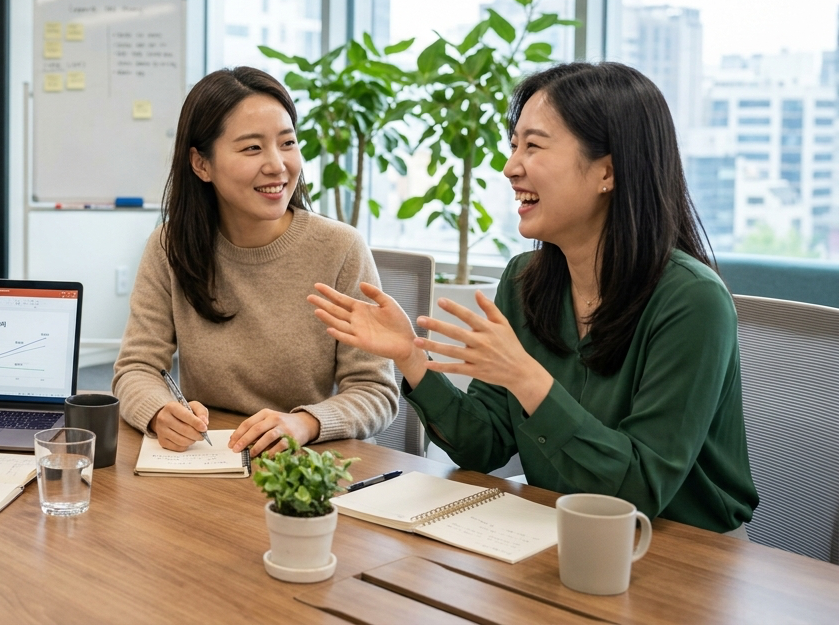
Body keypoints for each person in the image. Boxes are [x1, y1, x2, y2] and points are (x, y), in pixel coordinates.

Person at [309, 62, 758, 535]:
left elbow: (640, 491)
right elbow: (484, 446)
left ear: (607, 170)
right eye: (514, 145)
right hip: (555, 527)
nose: (510, 167)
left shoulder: (692, 301)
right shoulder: (527, 280)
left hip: (683, 551)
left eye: (534, 146)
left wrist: (527, 378)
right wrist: (410, 357)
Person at [112, 67, 399, 457]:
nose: (277, 165)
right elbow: (136, 367)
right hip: (211, 459)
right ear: (201, 164)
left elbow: (375, 390)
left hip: (306, 466)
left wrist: (305, 422)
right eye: (252, 148)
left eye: (287, 143)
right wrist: (160, 411)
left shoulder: (341, 249)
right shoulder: (170, 246)